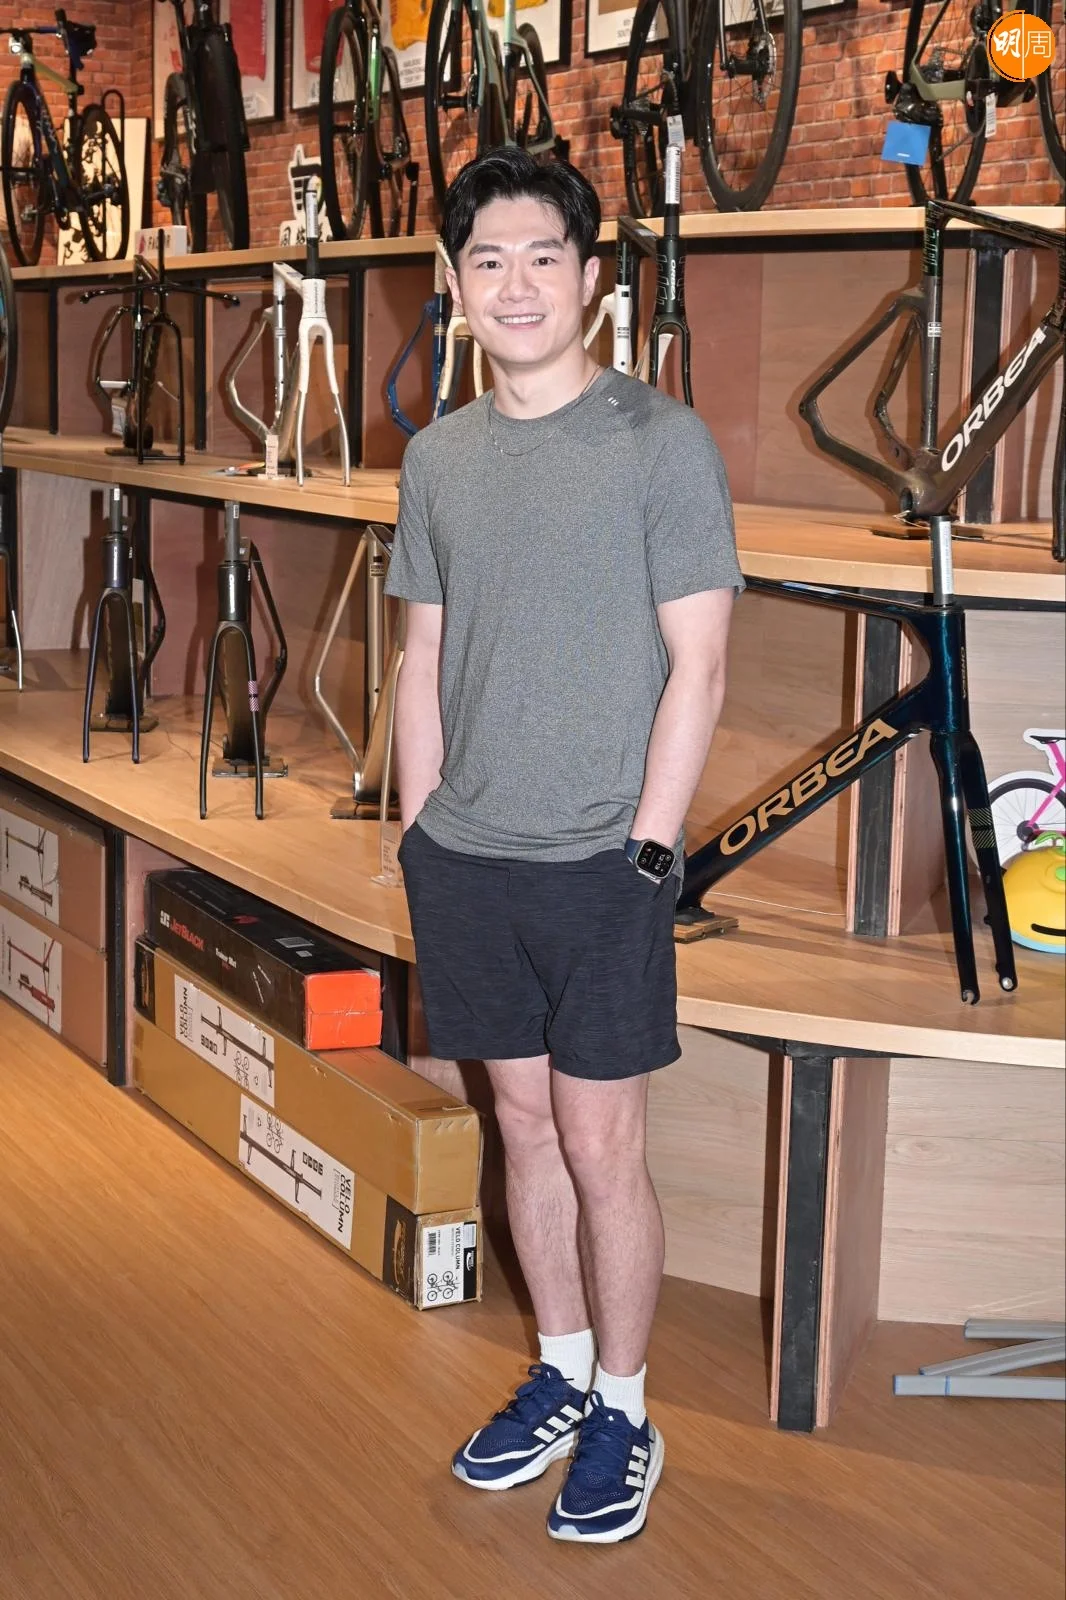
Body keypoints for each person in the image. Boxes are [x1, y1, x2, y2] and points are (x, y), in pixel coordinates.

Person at [384, 147, 743, 1545]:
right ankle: (562, 1369)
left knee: (601, 1145)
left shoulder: (660, 441)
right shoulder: (438, 459)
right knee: (520, 1127)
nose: (517, 284)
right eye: (488, 260)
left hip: (603, 865)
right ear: (456, 283)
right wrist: (417, 830)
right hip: (466, 859)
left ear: (590, 278)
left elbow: (699, 663)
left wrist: (651, 851)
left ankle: (626, 1412)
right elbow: (423, 656)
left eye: (543, 256)